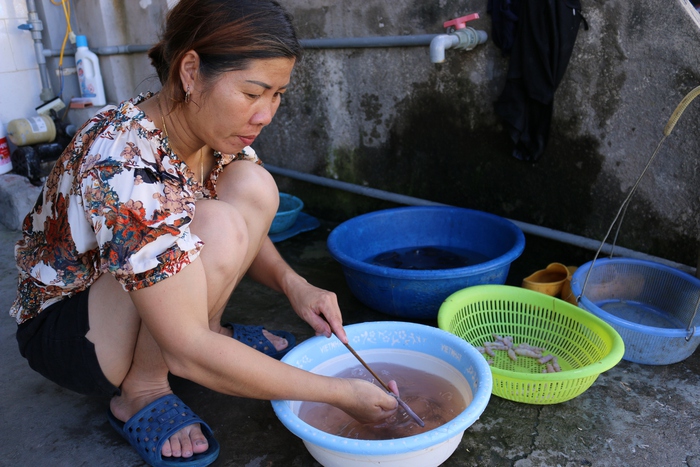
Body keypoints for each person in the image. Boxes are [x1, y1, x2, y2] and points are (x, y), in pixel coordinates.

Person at [9, 1, 399, 465]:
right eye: (254, 93)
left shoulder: (210, 134)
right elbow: (189, 348)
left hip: (136, 296)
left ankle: (211, 330)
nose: (266, 114)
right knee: (212, 224)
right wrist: (339, 393)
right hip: (73, 332)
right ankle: (143, 389)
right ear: (190, 71)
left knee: (251, 186)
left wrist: (296, 285)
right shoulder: (123, 162)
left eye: (277, 94)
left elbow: (244, 231)